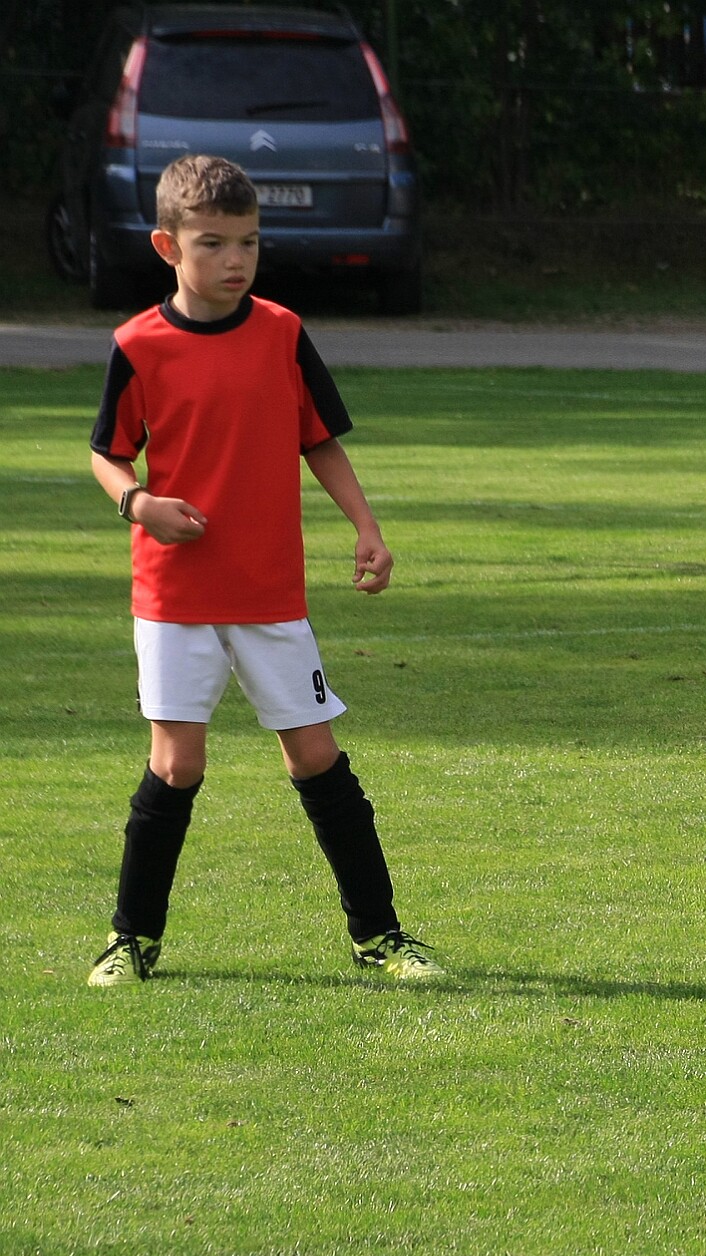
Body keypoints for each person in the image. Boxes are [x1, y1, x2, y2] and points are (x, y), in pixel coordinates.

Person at [85, 154, 442, 987]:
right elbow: (107, 453)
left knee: (315, 755)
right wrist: (139, 504)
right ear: (168, 247)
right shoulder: (137, 345)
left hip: (269, 593)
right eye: (213, 243)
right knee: (177, 765)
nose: (235, 259)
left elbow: (320, 440)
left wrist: (367, 528)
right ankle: (131, 939)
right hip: (175, 594)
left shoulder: (281, 332)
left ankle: (380, 936)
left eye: (248, 241)